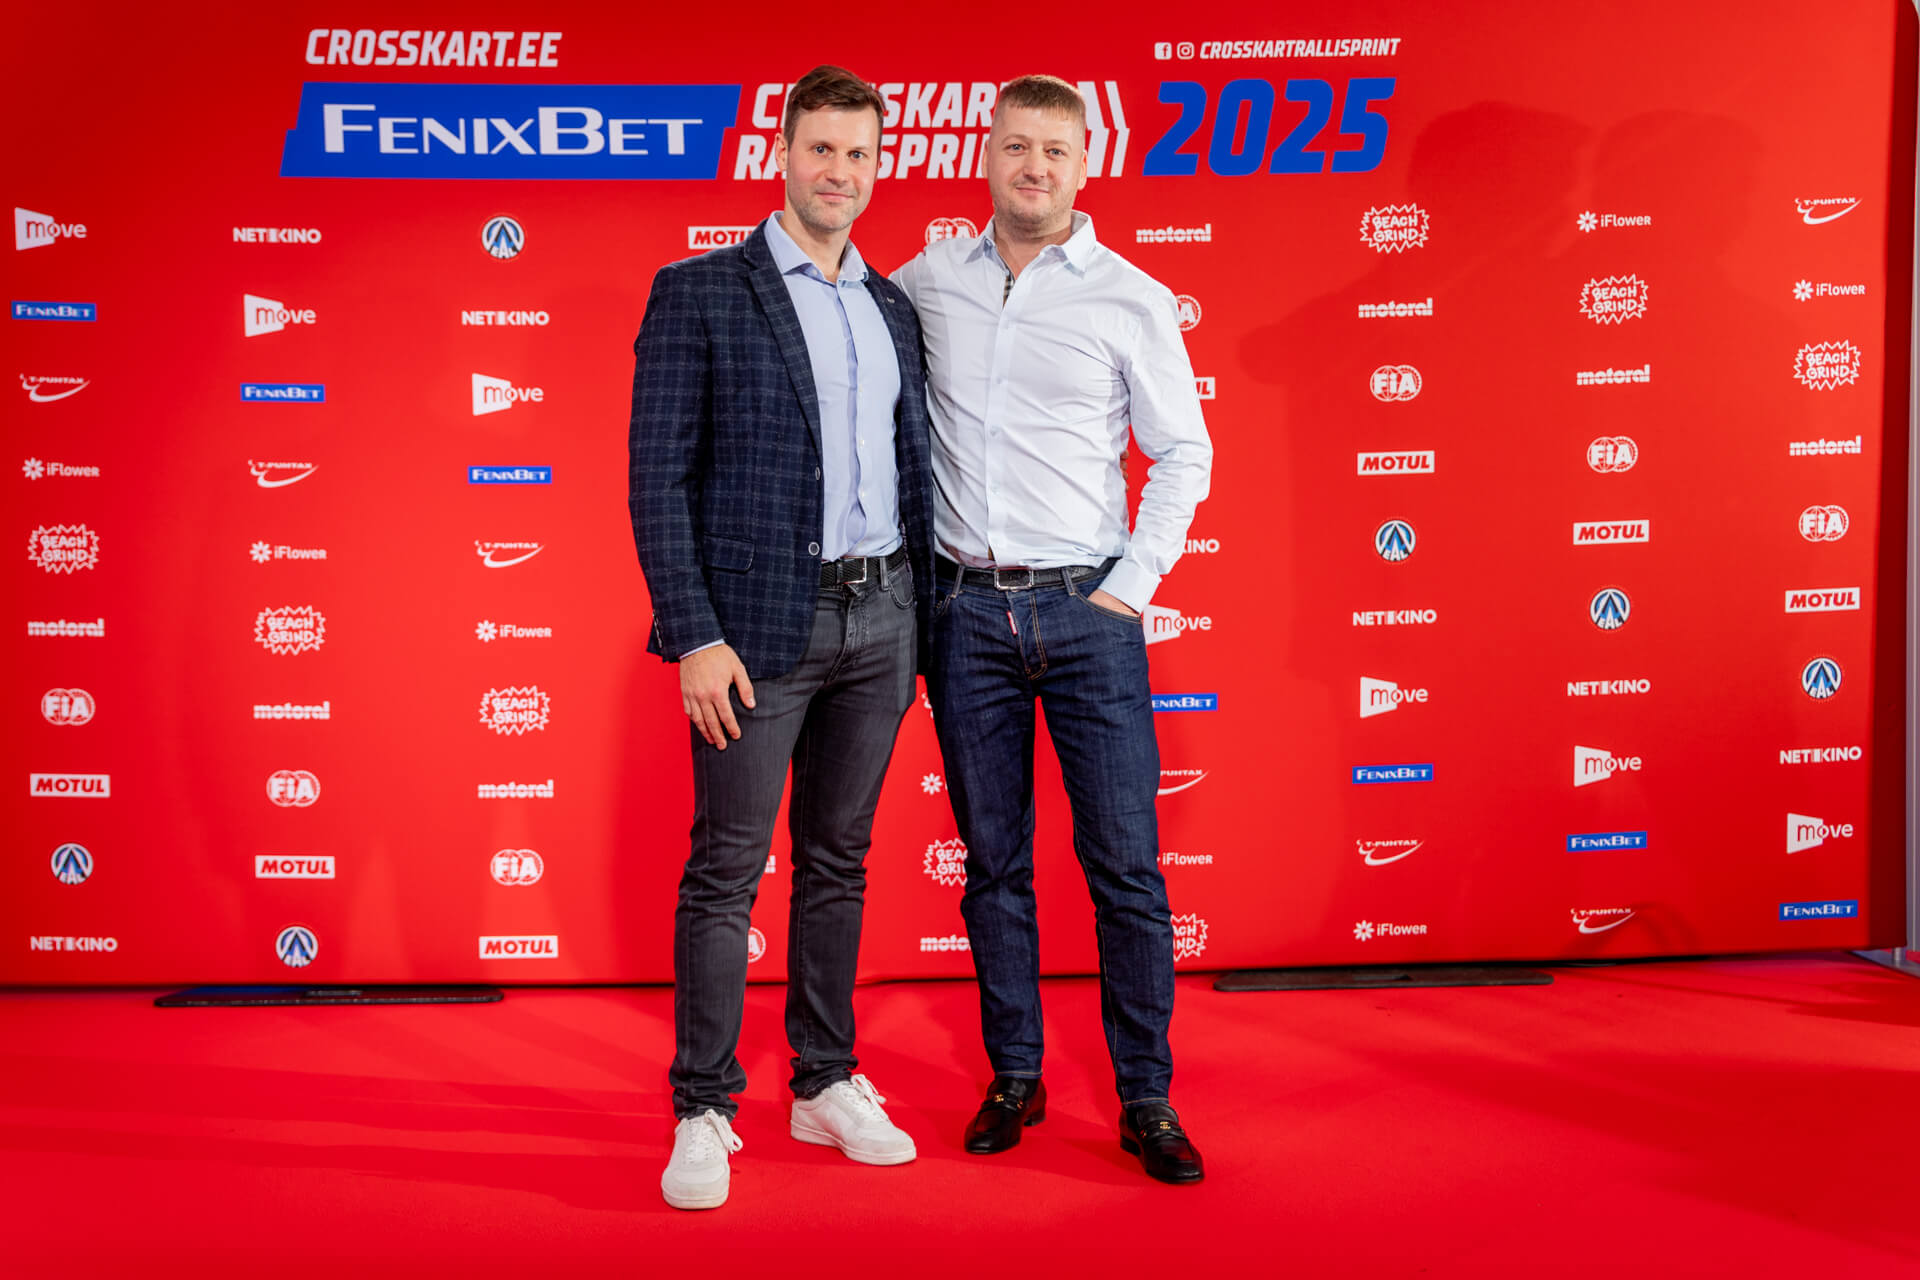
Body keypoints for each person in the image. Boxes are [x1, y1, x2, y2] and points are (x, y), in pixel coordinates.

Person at [893, 74, 1213, 1185]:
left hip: (1089, 614)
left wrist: (1132, 585)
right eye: (1017, 145)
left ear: (1085, 164)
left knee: (1126, 868)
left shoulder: (1133, 296)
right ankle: (1015, 1074)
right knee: (994, 865)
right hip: (965, 614)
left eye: (1056, 150)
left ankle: (1145, 1096)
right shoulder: (927, 280)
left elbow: (1184, 450)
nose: (1035, 167)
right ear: (986, 154)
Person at [628, 63, 935, 1211]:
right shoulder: (701, 290)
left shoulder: (892, 307)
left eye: (859, 153)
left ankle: (823, 1078)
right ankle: (703, 1103)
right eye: (821, 149)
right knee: (726, 869)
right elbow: (657, 479)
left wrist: (922, 627)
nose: (839, 172)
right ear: (783, 153)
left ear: (877, 165)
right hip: (756, 632)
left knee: (838, 859)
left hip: (883, 615)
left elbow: (912, 472)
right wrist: (693, 634)